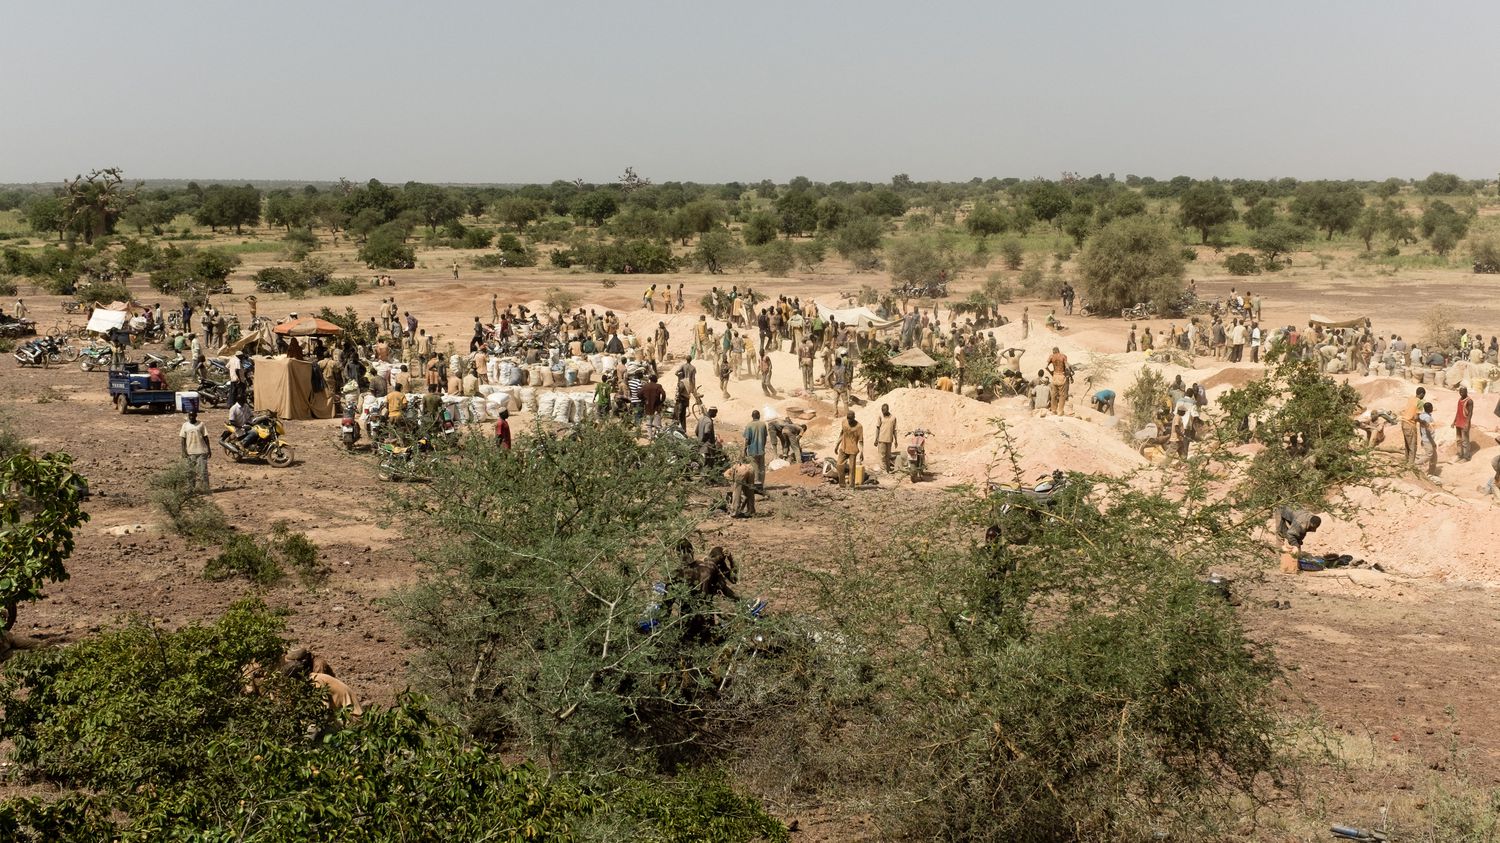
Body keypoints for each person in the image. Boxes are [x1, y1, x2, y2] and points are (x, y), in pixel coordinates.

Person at [179, 411, 211, 494]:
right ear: (188, 416)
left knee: (203, 471)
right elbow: (183, 439)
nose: (192, 417)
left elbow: (206, 437)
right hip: (190, 452)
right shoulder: (185, 425)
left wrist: (209, 449)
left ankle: (205, 489)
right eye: (190, 415)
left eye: (193, 415)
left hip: (201, 451)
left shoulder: (201, 424)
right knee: (190, 472)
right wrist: (183, 451)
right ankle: (190, 489)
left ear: (196, 416)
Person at [836, 411, 864, 487]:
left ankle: (852, 486)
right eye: (848, 419)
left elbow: (861, 441)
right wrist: (836, 445)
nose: (849, 421)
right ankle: (842, 484)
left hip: (853, 450)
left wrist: (862, 452)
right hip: (843, 448)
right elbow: (842, 434)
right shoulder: (844, 422)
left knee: (852, 469)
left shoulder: (859, 427)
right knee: (839, 465)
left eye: (851, 419)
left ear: (854, 418)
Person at [743, 409, 768, 490]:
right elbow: (765, 437)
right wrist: (763, 446)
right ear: (759, 416)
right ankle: (761, 484)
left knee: (754, 467)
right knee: (761, 467)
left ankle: (756, 484)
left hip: (752, 450)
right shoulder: (763, 424)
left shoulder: (749, 425)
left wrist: (744, 450)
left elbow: (747, 439)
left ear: (752, 416)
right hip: (761, 449)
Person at [1400, 387, 1425, 465]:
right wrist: (1423, 422)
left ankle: (1406, 461)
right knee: (1412, 446)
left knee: (1407, 444)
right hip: (1410, 424)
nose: (1423, 396)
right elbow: (1416, 417)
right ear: (1421, 394)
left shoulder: (1411, 398)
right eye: (1423, 395)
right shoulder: (1420, 402)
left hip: (1403, 422)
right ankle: (1410, 465)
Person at [1046, 347, 1070, 414]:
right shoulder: (1063, 356)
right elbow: (1067, 367)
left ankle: (1053, 410)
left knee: (1054, 394)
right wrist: (1067, 373)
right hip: (1061, 376)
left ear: (1053, 352)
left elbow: (1045, 366)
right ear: (1058, 351)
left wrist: (1051, 372)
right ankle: (1060, 411)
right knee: (1062, 395)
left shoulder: (1051, 357)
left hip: (1054, 376)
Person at [875, 403, 898, 471]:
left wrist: (896, 440)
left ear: (888, 409)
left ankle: (887, 469)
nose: (883, 412)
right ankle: (883, 470)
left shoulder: (893, 418)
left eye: (884, 410)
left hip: (889, 440)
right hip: (881, 439)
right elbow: (878, 428)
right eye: (882, 410)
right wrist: (876, 439)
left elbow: (895, 430)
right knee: (882, 456)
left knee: (888, 456)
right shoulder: (880, 417)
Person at [1454, 386, 1474, 462]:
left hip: (1464, 423)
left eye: (1462, 391)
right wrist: (1454, 421)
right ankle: (1460, 455)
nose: (1461, 393)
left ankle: (1466, 457)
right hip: (1458, 423)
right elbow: (1458, 411)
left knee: (1465, 441)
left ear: (1466, 392)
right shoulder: (1459, 400)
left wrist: (1467, 423)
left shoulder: (1469, 401)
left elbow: (1470, 413)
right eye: (1460, 391)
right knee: (1458, 440)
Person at [1419, 400, 1438, 476]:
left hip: (1426, 439)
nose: (1432, 408)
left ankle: (1431, 474)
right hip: (1428, 440)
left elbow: (1421, 429)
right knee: (1429, 455)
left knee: (1434, 458)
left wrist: (1421, 437)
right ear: (1429, 408)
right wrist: (1433, 442)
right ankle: (1415, 463)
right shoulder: (1427, 418)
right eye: (1431, 407)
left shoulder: (1422, 416)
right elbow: (1428, 432)